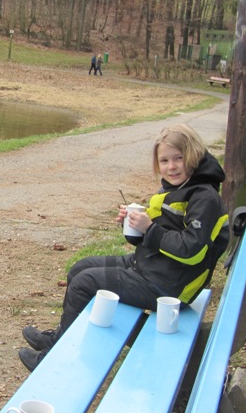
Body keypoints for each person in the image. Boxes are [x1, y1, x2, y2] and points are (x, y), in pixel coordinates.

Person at [19, 124, 230, 371]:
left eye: (178, 159)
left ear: (193, 155)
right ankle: (57, 339)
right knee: (79, 268)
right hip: (153, 268)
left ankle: (53, 359)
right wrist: (134, 228)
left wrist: (150, 229)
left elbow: (191, 250)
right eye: (164, 160)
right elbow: (154, 239)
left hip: (169, 287)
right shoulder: (180, 189)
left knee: (84, 283)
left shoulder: (203, 197)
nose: (171, 167)